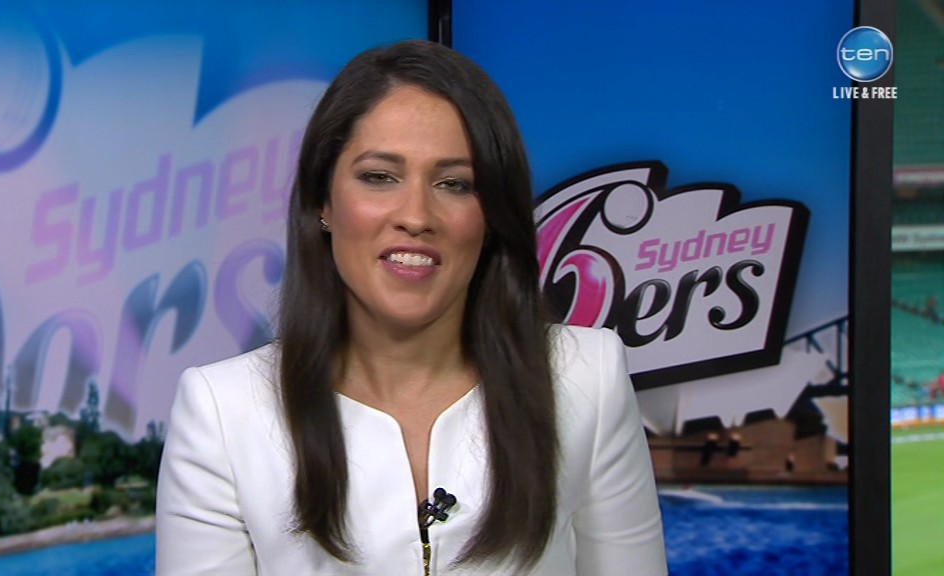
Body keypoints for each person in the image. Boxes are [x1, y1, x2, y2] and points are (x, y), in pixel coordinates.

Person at [155, 40, 666, 575]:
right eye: (380, 177)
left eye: (455, 184)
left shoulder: (587, 378)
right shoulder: (223, 412)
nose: (417, 216)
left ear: (492, 214)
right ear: (323, 201)